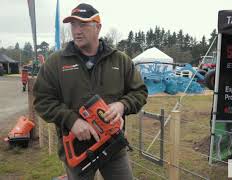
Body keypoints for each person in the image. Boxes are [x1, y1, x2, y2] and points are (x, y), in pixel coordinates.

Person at [33, 3, 148, 180]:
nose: (77, 30)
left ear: (98, 27)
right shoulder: (56, 62)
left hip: (114, 145)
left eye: (83, 24)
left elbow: (139, 92)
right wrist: (72, 121)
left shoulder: (120, 60)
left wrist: (122, 105)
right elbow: (42, 100)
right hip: (78, 151)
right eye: (73, 25)